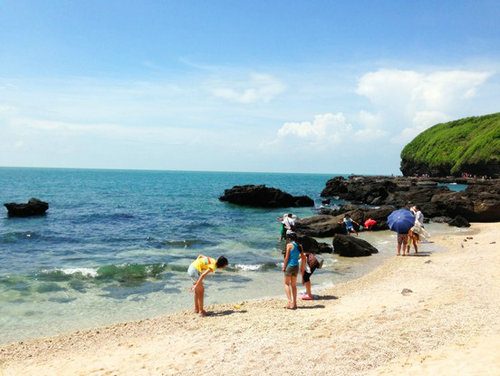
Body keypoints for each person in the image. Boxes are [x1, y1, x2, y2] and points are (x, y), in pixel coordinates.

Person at [283, 233, 305, 309]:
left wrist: (284, 266)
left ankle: (290, 302)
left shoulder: (289, 245)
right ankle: (295, 304)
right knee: (294, 285)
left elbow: (286, 258)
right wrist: (302, 268)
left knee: (286, 284)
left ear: (289, 239)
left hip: (290, 266)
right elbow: (303, 257)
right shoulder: (300, 246)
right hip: (296, 267)